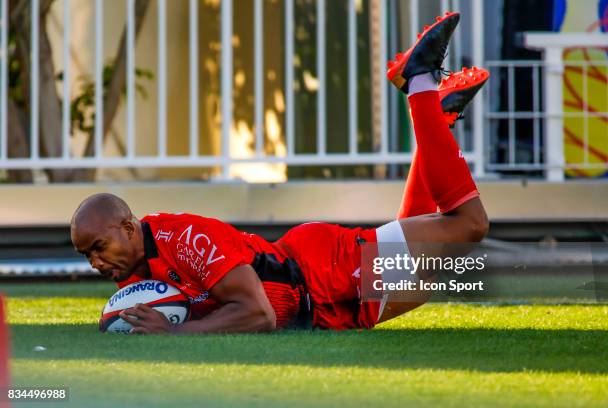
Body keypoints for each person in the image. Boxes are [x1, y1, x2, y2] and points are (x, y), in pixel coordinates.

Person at [71, 11, 489, 334]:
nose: (94, 261)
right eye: (87, 254)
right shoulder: (136, 274)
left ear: (127, 226)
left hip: (321, 269)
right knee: (424, 277)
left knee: (468, 227)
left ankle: (419, 82)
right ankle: (438, 118)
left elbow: (259, 314)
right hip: (320, 312)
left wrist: (174, 335)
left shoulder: (184, 238)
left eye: (97, 246)